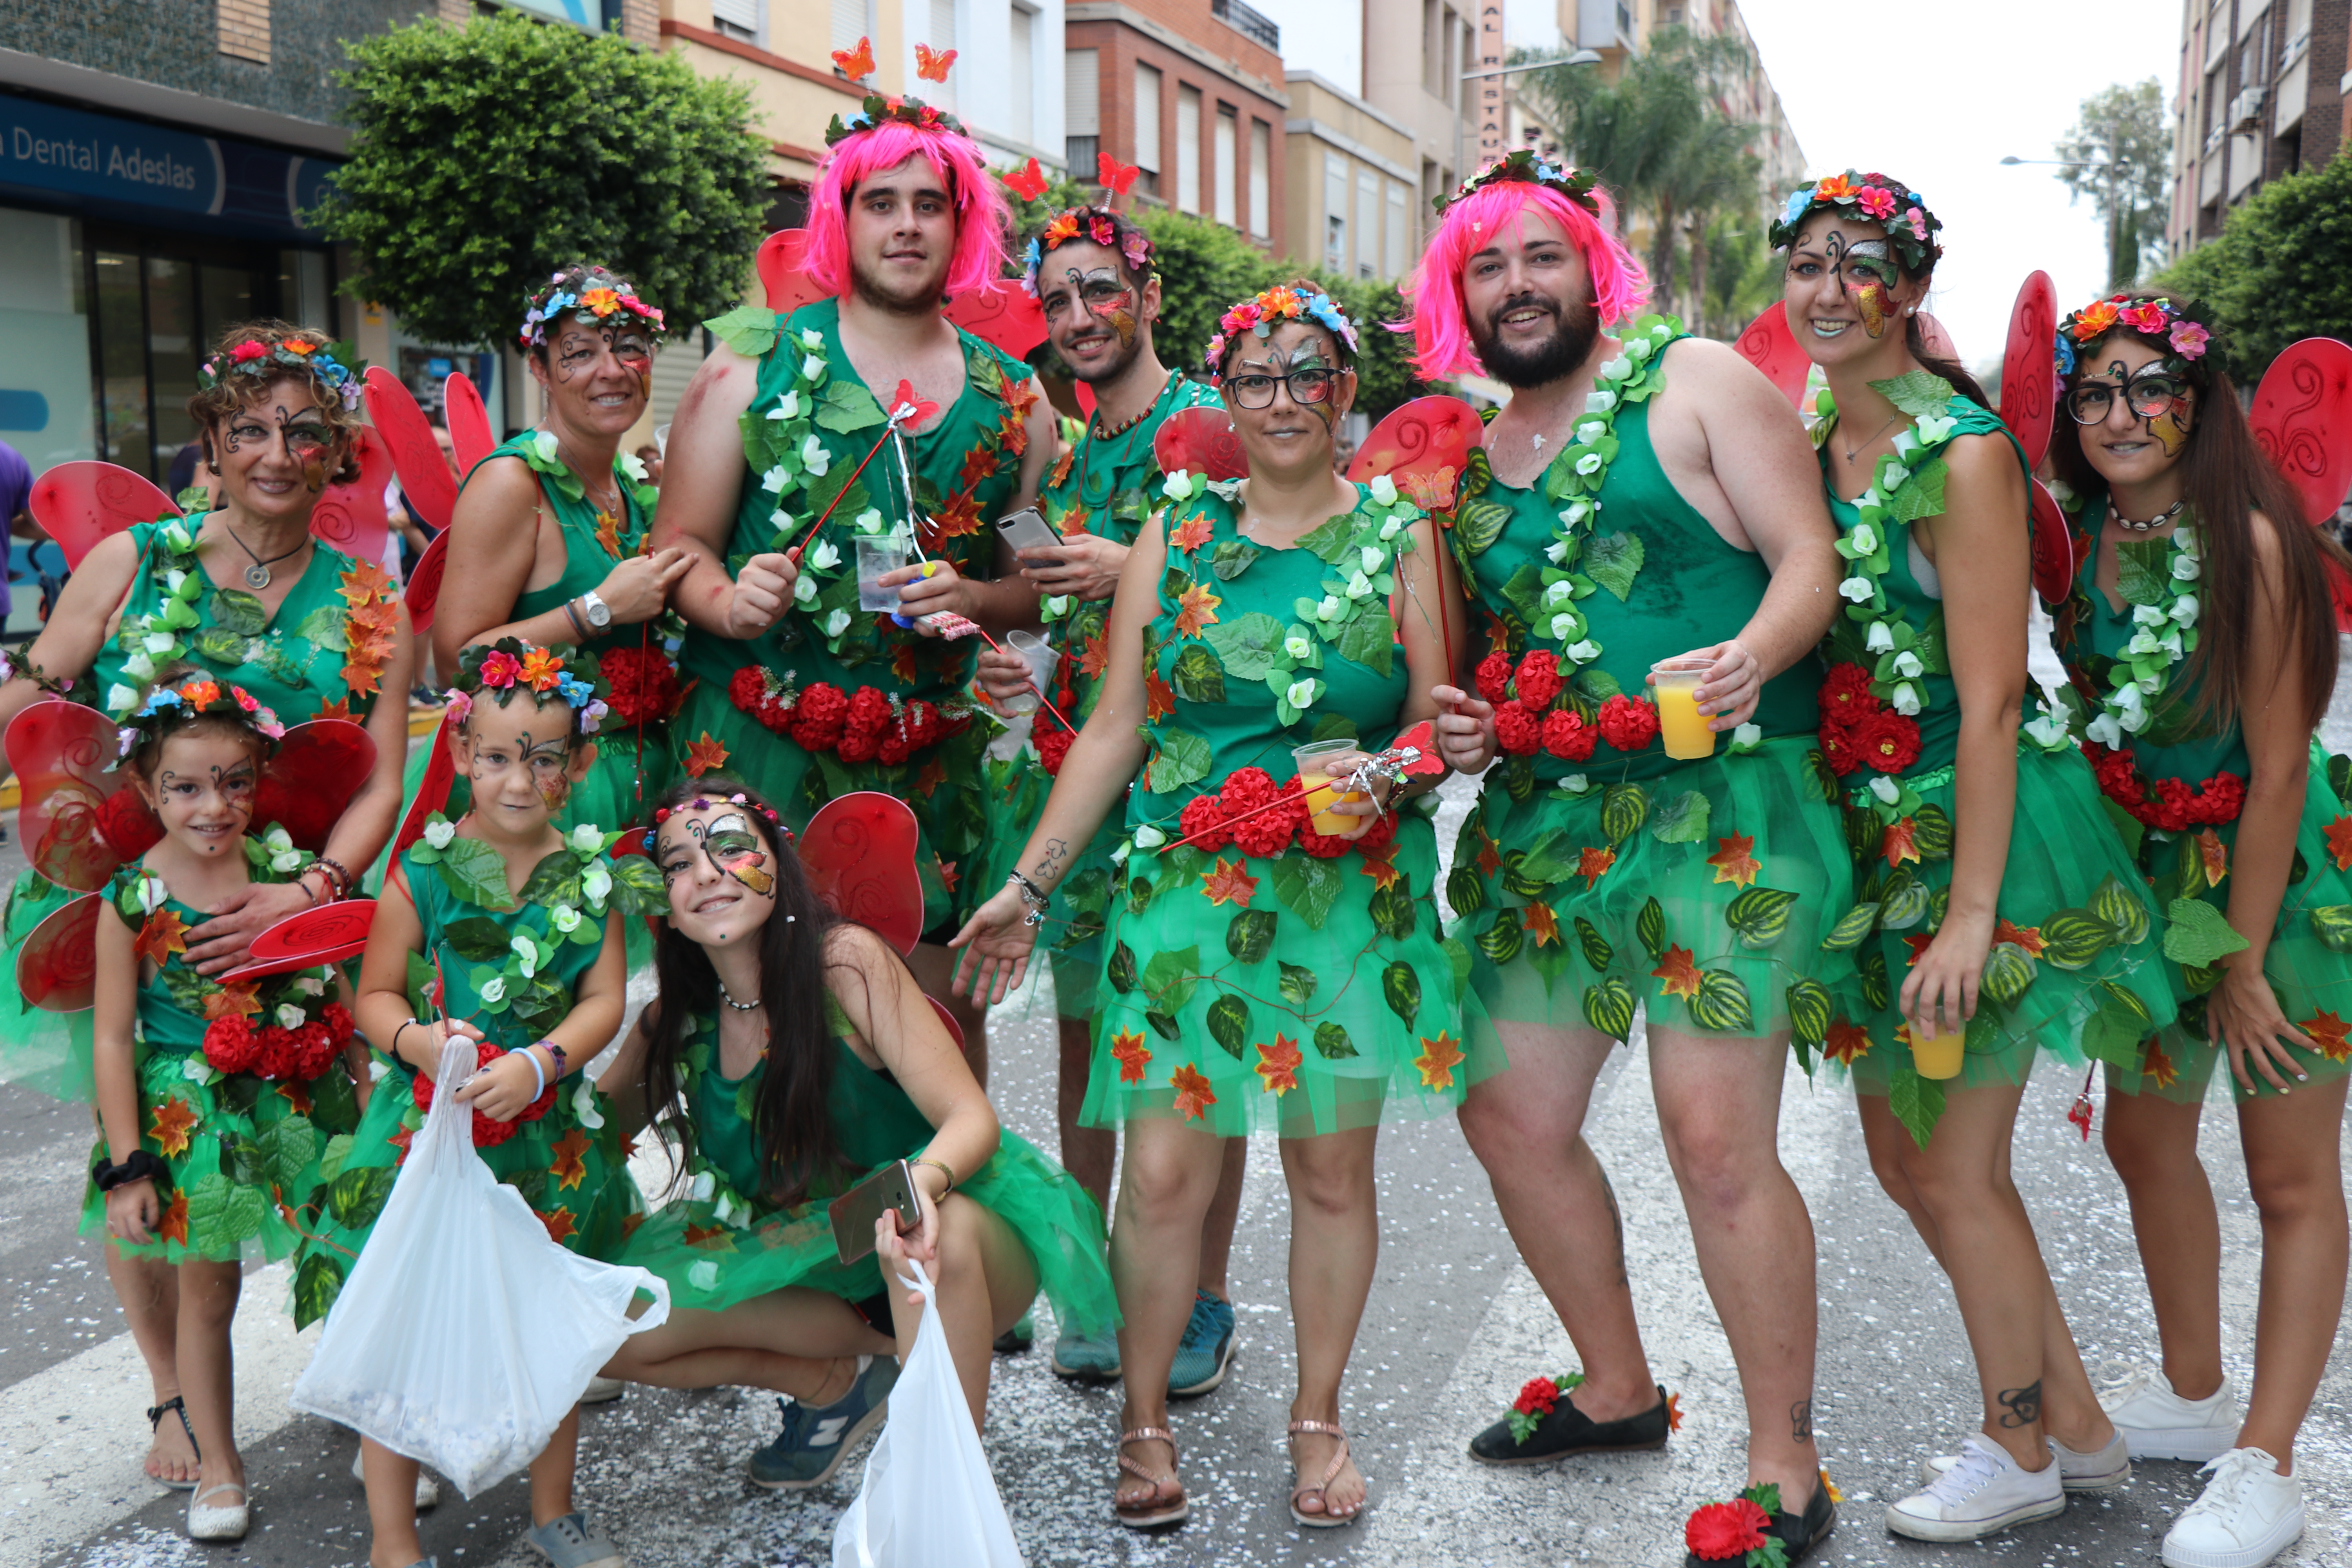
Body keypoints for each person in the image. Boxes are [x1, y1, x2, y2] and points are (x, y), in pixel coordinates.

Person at [954, 281, 1485, 1531]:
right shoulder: (1174, 537)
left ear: (1347, 392)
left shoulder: (1401, 540)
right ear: (1227, 399)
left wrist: (1386, 772)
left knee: (1332, 1177)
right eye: (1259, 377)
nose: (1286, 399)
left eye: (1311, 374)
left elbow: (1433, 723)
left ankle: (1319, 1419)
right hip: (1182, 902)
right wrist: (1026, 886)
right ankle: (1144, 1421)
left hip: (1349, 906)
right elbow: (1117, 728)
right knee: (1162, 1183)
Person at [1403, 153, 1850, 1561]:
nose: (1519, 285)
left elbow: (1808, 559)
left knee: (1717, 1145)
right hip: (1549, 828)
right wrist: (1466, 717)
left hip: (1724, 815)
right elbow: (1483, 654)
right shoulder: (1468, 466)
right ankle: (1615, 1387)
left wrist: (1753, 656)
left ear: (1595, 270)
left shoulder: (1700, 380)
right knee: (1508, 1116)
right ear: (1456, 295)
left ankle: (1787, 1465)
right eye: (1489, 265)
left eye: (1543, 257)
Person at [1773, 173, 2169, 1541]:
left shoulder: (1963, 455)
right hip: (1873, 837)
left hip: (1981, 836)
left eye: (1860, 263)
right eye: (1808, 260)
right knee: (1904, 1156)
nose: (1829, 287)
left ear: (1911, 289)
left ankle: (2016, 1452)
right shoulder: (1822, 440)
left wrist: (1973, 918)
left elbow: (1996, 695)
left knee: (1954, 1164)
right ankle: (2084, 1430)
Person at [0, 321, 413, 1492]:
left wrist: (314, 889)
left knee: (339, 1150)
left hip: (288, 909)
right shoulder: (136, 560)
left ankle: (362, 1377)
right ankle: (176, 1399)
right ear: (213, 441)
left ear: (338, 450)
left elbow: (380, 777)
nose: (276, 453)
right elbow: (40, 692)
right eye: (250, 429)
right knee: (140, 1149)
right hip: (132, 907)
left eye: (303, 430)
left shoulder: (373, 602)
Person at [654, 84, 1056, 1084]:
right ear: (840, 218)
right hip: (754, 753)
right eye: (882, 202)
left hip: (921, 764)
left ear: (962, 225)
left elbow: (1034, 589)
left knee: (926, 1039)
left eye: (930, 203)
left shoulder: (1019, 402)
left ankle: (927, 1225)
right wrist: (726, 599)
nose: (907, 224)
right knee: (745, 1043)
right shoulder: (750, 368)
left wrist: (970, 596)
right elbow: (676, 558)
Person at [2047, 291, 2352, 1568]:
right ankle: (2189, 1384)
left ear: (2197, 402)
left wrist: (2235, 956)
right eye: (2096, 391)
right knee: (2143, 1135)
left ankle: (2269, 1466)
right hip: (2151, 875)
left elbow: (2280, 770)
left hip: (2279, 890)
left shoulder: (2253, 551)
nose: (2122, 415)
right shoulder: (2075, 543)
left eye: (2147, 389)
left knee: (2289, 1177)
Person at [595, 778, 1116, 1485]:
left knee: (929, 1237)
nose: (708, 874)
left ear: (777, 861)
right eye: (679, 864)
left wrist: (921, 1190)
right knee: (601, 1326)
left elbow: (971, 1119)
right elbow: (585, 1139)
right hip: (816, 1273)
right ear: (664, 903)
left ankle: (946, 1499)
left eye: (729, 847)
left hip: (950, 1242)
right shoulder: (677, 1024)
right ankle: (837, 1385)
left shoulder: (846, 964)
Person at [969, 203, 1247, 1387]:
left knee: (1193, 1043)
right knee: (1090, 1042)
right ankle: (1089, 1269)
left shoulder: (1212, 424)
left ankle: (1201, 1298)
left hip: (1186, 773)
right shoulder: (1075, 446)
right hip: (1081, 764)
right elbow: (1053, 597)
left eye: (1100, 291)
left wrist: (1129, 565)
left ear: (1147, 297)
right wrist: (984, 620)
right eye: (1060, 298)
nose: (1079, 316)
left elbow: (1259, 571)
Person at [309, 637, 650, 1568]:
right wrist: (426, 1045)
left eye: (544, 758)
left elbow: (606, 1000)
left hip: (543, 1139)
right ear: (461, 753)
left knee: (545, 1329)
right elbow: (374, 994)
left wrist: (543, 1064)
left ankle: (554, 1508)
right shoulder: (421, 870)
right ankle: (391, 1537)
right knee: (407, 1324)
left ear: (576, 768)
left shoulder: (590, 876)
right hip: (433, 1128)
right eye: (498, 756)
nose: (518, 779)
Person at [86, 670, 370, 1541]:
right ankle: (219, 1462)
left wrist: (361, 1084)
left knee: (352, 1253)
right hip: (192, 1115)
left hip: (302, 1091)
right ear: (146, 787)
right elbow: (111, 1039)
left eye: (235, 783)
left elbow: (338, 982)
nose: (215, 806)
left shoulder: (286, 869)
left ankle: (379, 1428)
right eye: (187, 786)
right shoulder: (130, 898)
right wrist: (129, 1167)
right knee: (207, 1291)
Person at [432, 266, 690, 837]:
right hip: (545, 795)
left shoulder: (634, 490)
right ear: (540, 368)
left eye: (630, 348)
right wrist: (597, 609)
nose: (612, 371)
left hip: (645, 779)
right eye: (579, 353)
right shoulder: (513, 483)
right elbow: (454, 661)